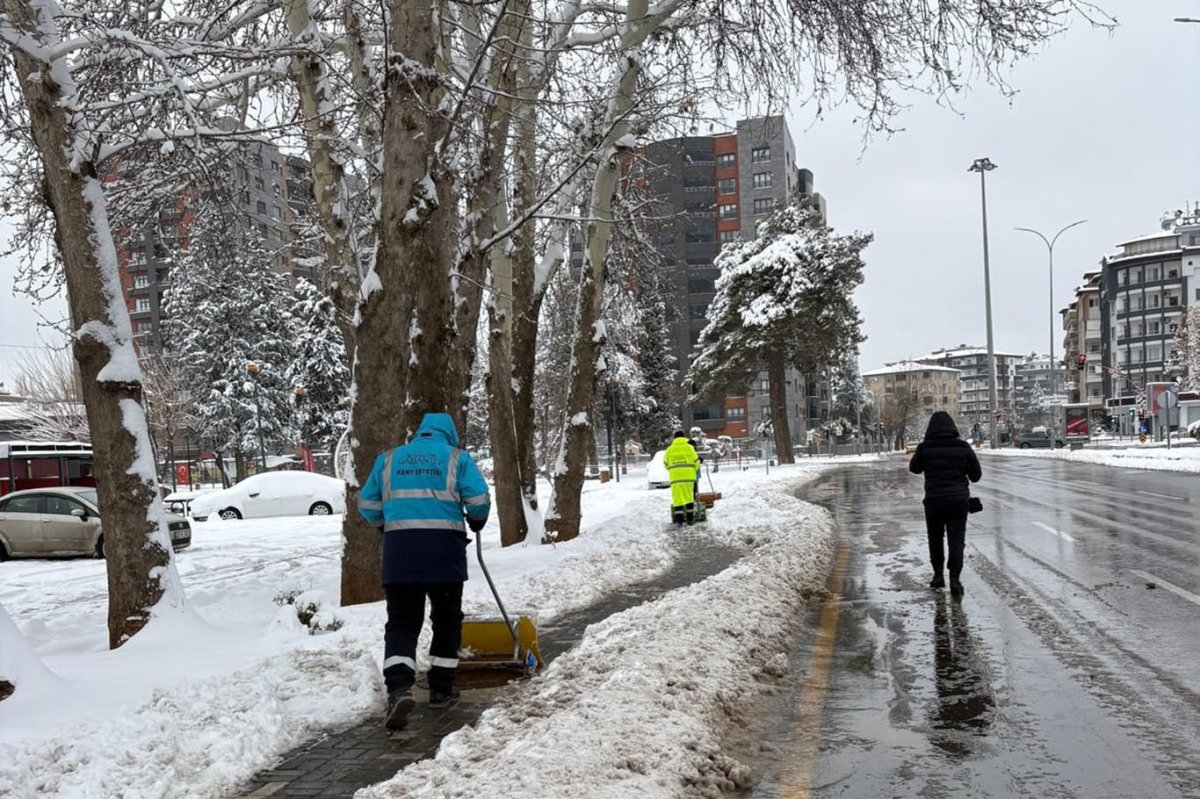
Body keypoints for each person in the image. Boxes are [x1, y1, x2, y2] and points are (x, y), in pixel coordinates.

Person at [358, 412, 491, 730]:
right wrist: (477, 520)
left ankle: (399, 689)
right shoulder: (457, 458)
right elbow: (478, 500)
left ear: (419, 432)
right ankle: (441, 689)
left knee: (402, 623)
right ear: (449, 434)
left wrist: (385, 526)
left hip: (401, 552)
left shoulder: (388, 459)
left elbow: (367, 504)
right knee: (446, 618)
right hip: (444, 552)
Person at [908, 411, 981, 597]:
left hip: (933, 501)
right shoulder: (963, 447)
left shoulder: (925, 448)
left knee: (935, 538)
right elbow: (976, 475)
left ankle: (938, 575)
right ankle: (955, 578)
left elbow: (914, 468)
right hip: (958, 501)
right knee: (956, 540)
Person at [665, 431, 701, 525]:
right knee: (689, 497)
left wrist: (673, 469)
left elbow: (665, 464)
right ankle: (690, 520)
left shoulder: (669, 449)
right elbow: (697, 463)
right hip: (689, 478)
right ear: (684, 437)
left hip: (675, 479)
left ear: (674, 438)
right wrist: (692, 470)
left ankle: (679, 521)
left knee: (677, 499)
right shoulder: (690, 448)